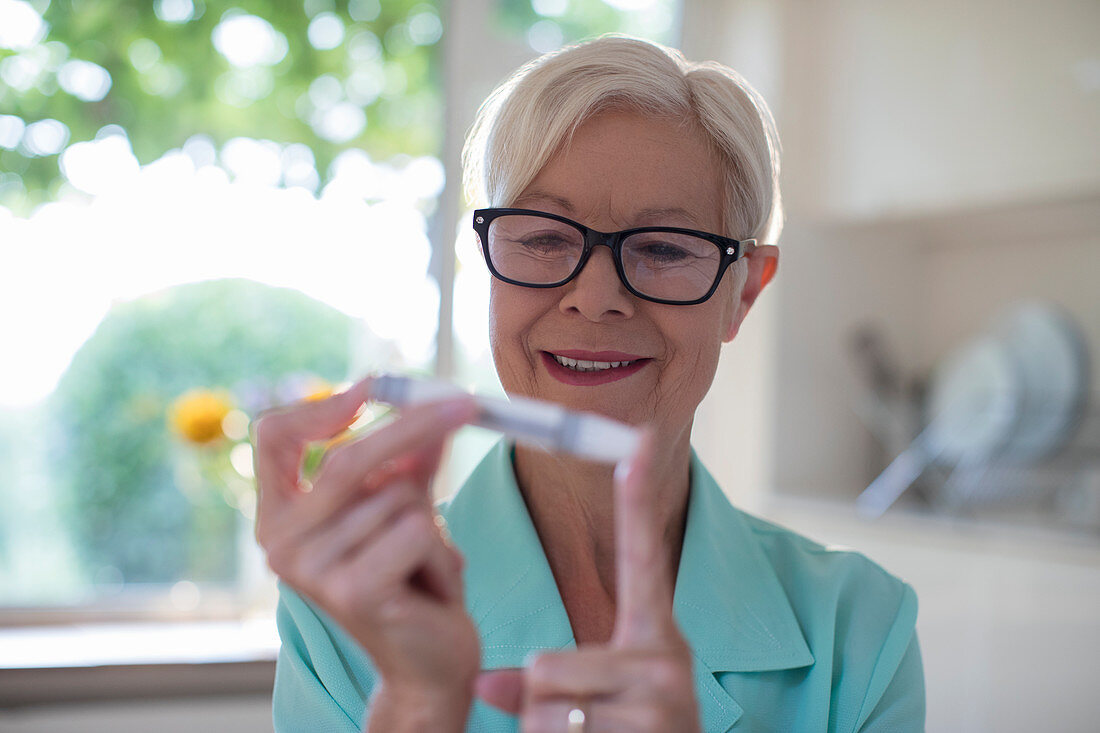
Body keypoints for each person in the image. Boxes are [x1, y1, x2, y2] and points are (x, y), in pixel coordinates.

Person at [255, 36, 925, 732]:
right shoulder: (344, 615)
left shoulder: (860, 629)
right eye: (543, 236)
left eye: (664, 248)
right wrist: (420, 708)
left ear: (745, 292)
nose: (595, 295)